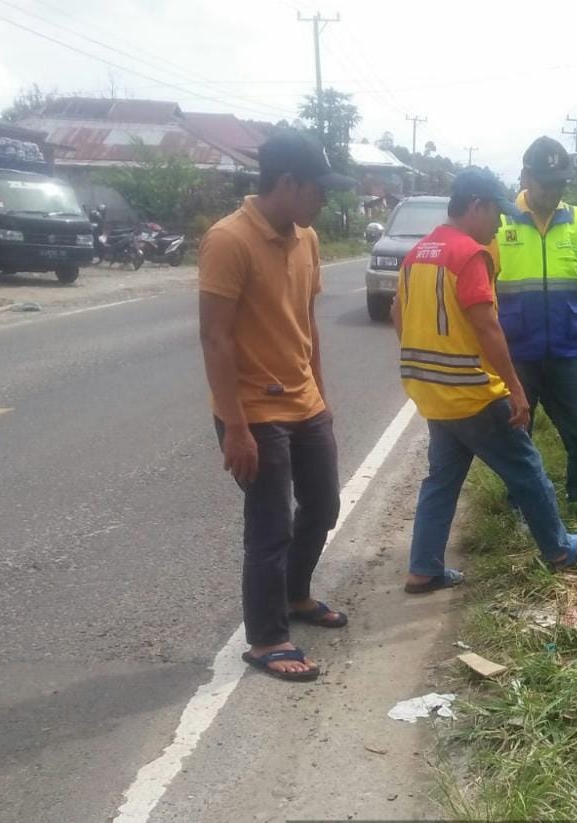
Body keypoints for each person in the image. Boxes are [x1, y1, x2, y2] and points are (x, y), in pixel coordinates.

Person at [394, 168, 577, 593]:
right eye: (495, 214)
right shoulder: (470, 254)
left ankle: (424, 567)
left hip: (433, 394)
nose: (499, 224)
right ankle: (559, 547)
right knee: (527, 469)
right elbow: (488, 327)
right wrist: (515, 388)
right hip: (472, 393)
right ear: (477, 206)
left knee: (442, 479)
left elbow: (399, 314)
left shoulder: (420, 251)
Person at [198, 130, 355, 683]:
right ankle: (266, 638)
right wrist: (234, 427)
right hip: (254, 413)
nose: (324, 200)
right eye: (319, 189)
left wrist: (321, 394)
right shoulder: (228, 240)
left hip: (304, 404)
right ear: (288, 183)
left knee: (323, 505)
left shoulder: (306, 238)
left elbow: (306, 322)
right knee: (269, 530)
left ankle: (294, 597)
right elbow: (215, 338)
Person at [491, 136, 577, 507]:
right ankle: (522, 505)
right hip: (516, 350)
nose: (554, 192)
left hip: (569, 348)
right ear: (526, 177)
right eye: (547, 183)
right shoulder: (500, 220)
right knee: (515, 435)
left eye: (561, 184)